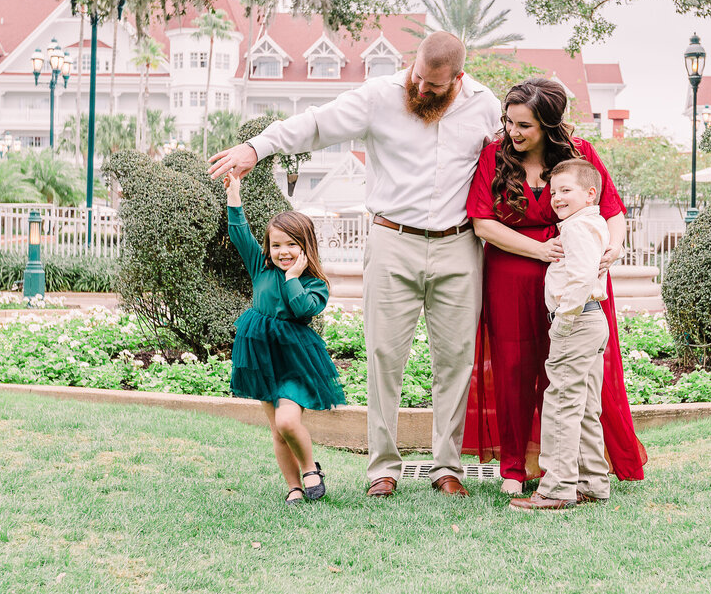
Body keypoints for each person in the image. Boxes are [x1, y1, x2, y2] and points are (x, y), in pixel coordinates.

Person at [208, 32, 500, 498]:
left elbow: (509, 159)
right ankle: (383, 469)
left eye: (434, 87)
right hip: (392, 240)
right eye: (418, 78)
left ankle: (447, 467)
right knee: (385, 356)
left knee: (456, 360)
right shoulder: (380, 96)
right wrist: (256, 148)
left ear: (458, 80)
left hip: (458, 245)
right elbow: (316, 124)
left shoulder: (485, 106)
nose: (421, 90)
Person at [462, 77, 646, 495]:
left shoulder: (581, 155)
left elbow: (611, 209)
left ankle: (570, 467)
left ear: (547, 123)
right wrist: (539, 250)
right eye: (509, 122)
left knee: (570, 371)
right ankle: (513, 466)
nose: (513, 132)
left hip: (576, 280)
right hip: (511, 276)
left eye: (523, 125)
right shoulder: (494, 157)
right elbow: (482, 222)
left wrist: (613, 247)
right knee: (512, 370)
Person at [223, 171, 345, 505]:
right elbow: (239, 234)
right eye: (276, 245)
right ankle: (293, 486)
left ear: (306, 247)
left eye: (292, 245)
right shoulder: (260, 267)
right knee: (277, 429)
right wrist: (234, 195)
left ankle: (310, 469)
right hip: (262, 357)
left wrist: (292, 277)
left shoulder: (314, 284)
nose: (283, 252)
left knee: (288, 419)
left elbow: (303, 309)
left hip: (294, 361)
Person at [510, 159, 612, 511]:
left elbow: (582, 278)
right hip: (592, 320)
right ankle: (592, 481)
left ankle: (557, 487)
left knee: (561, 403)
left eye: (566, 190)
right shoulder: (593, 224)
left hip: (577, 320)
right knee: (584, 405)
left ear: (590, 193)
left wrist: (563, 321)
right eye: (554, 192)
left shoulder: (575, 229)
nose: (557, 198)